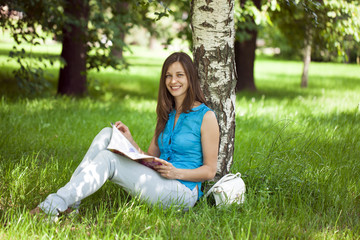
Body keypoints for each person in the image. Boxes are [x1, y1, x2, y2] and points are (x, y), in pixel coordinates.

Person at [30, 52, 220, 218]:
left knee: (108, 159)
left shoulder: (206, 117)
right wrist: (129, 140)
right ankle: (70, 204)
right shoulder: (166, 114)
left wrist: (176, 173)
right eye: (168, 76)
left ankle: (53, 206)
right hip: (158, 180)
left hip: (183, 191)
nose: (173, 81)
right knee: (107, 133)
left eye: (180, 75)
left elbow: (210, 171)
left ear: (190, 78)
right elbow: (150, 158)